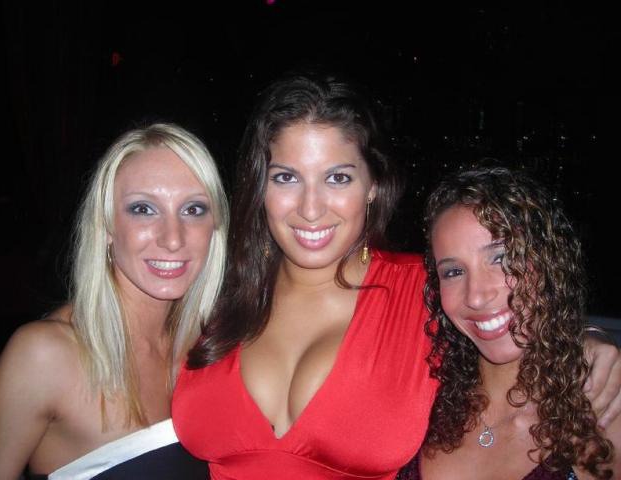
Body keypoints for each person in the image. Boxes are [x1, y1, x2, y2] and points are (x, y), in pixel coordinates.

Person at [171, 71, 621, 479]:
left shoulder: (424, 292)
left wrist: (588, 341)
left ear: (373, 185)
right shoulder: (213, 294)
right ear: (260, 186)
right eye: (286, 178)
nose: (310, 208)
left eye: (337, 178)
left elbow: (504, 309)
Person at [0, 123, 228, 479]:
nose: (173, 239)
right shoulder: (45, 356)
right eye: (143, 209)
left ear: (215, 227)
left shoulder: (214, 348)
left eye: (193, 209)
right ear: (107, 227)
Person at [399, 166, 621, 479]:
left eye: (501, 258)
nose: (477, 296)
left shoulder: (600, 413)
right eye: (454, 272)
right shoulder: (422, 396)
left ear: (549, 260)